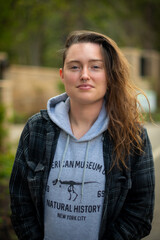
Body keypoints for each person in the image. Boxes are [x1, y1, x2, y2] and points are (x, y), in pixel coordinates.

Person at [9, 30, 155, 240]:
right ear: (62, 74)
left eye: (95, 66)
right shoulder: (37, 129)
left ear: (109, 74)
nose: (84, 74)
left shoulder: (133, 135)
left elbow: (140, 214)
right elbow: (20, 200)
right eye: (75, 67)